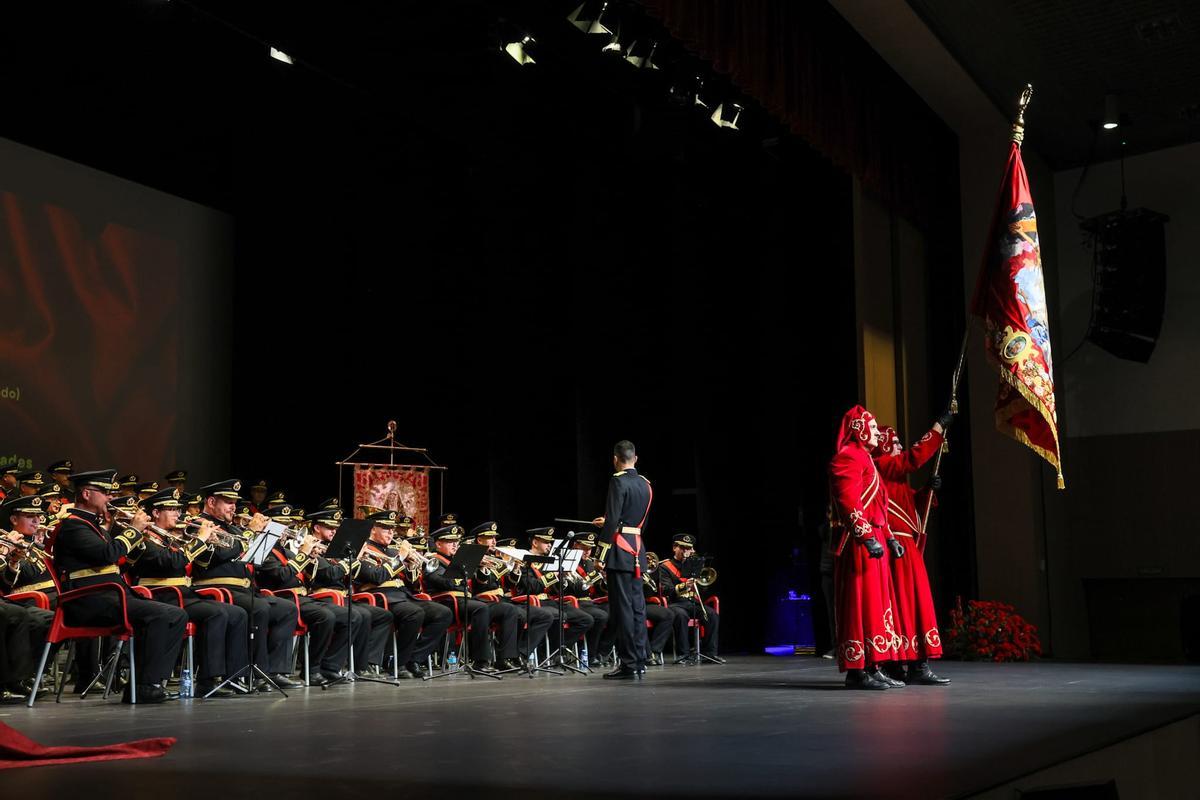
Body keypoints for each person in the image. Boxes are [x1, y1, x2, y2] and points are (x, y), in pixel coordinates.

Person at [51, 469, 188, 703]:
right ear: (86, 493)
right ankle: (144, 686)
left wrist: (137, 543)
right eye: (104, 492)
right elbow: (107, 554)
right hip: (86, 601)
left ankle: (147, 682)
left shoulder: (94, 526)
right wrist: (133, 530)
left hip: (109, 596)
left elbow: (117, 566)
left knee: (176, 615)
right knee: (161, 615)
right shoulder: (73, 526)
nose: (110, 498)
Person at [128, 487, 249, 697]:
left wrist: (209, 541)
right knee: (217, 612)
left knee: (236, 612)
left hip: (182, 592)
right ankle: (207, 680)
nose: (178, 514)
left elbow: (203, 561)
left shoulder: (171, 537)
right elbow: (170, 562)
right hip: (159, 593)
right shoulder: (145, 537)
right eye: (172, 509)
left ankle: (231, 677)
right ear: (155, 513)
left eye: (178, 509)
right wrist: (200, 539)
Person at [190, 479, 303, 689]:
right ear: (212, 501)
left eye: (234, 502)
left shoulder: (233, 528)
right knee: (258, 608)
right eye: (228, 501)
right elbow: (220, 554)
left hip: (245, 588)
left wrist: (267, 535)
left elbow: (255, 559)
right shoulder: (198, 524)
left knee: (287, 609)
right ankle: (255, 673)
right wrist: (250, 533)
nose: (234, 506)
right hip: (216, 588)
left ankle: (275, 670)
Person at [872, 413, 954, 685]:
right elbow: (912, 459)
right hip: (895, 548)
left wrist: (927, 491)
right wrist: (937, 429)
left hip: (909, 547)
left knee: (917, 606)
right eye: (893, 443)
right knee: (901, 608)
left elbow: (911, 507)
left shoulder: (896, 479)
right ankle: (899, 664)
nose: (897, 447)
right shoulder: (882, 465)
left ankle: (919, 664)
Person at [828, 407, 905, 690]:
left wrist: (891, 538)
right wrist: (865, 536)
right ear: (859, 429)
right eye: (872, 428)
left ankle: (874, 664)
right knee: (861, 605)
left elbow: (879, 505)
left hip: (876, 539)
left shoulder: (867, 460)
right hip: (860, 544)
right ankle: (857, 670)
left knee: (877, 606)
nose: (876, 432)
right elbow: (849, 501)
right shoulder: (847, 457)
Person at [356, 511, 452, 678]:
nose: (391, 532)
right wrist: (400, 558)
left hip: (403, 596)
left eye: (392, 529)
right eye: (386, 529)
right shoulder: (363, 548)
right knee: (414, 613)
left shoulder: (393, 552)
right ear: (372, 529)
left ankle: (413, 658)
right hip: (381, 597)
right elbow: (376, 577)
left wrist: (410, 567)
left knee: (443, 613)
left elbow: (413, 585)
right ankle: (398, 663)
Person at [591, 439, 652, 680]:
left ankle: (628, 664)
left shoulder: (617, 481)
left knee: (623, 610)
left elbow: (614, 518)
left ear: (615, 459)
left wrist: (600, 555)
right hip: (637, 550)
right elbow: (641, 522)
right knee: (638, 609)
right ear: (635, 458)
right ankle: (640, 660)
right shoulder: (646, 485)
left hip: (619, 552)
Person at [657, 534, 722, 663]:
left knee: (712, 615)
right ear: (675, 548)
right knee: (681, 616)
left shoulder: (695, 565)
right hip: (675, 603)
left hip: (692, 602)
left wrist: (702, 584)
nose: (686, 551)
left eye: (689, 548)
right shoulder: (665, 567)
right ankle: (683, 654)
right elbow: (666, 590)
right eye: (683, 547)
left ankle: (709, 653)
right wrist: (684, 585)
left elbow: (703, 588)